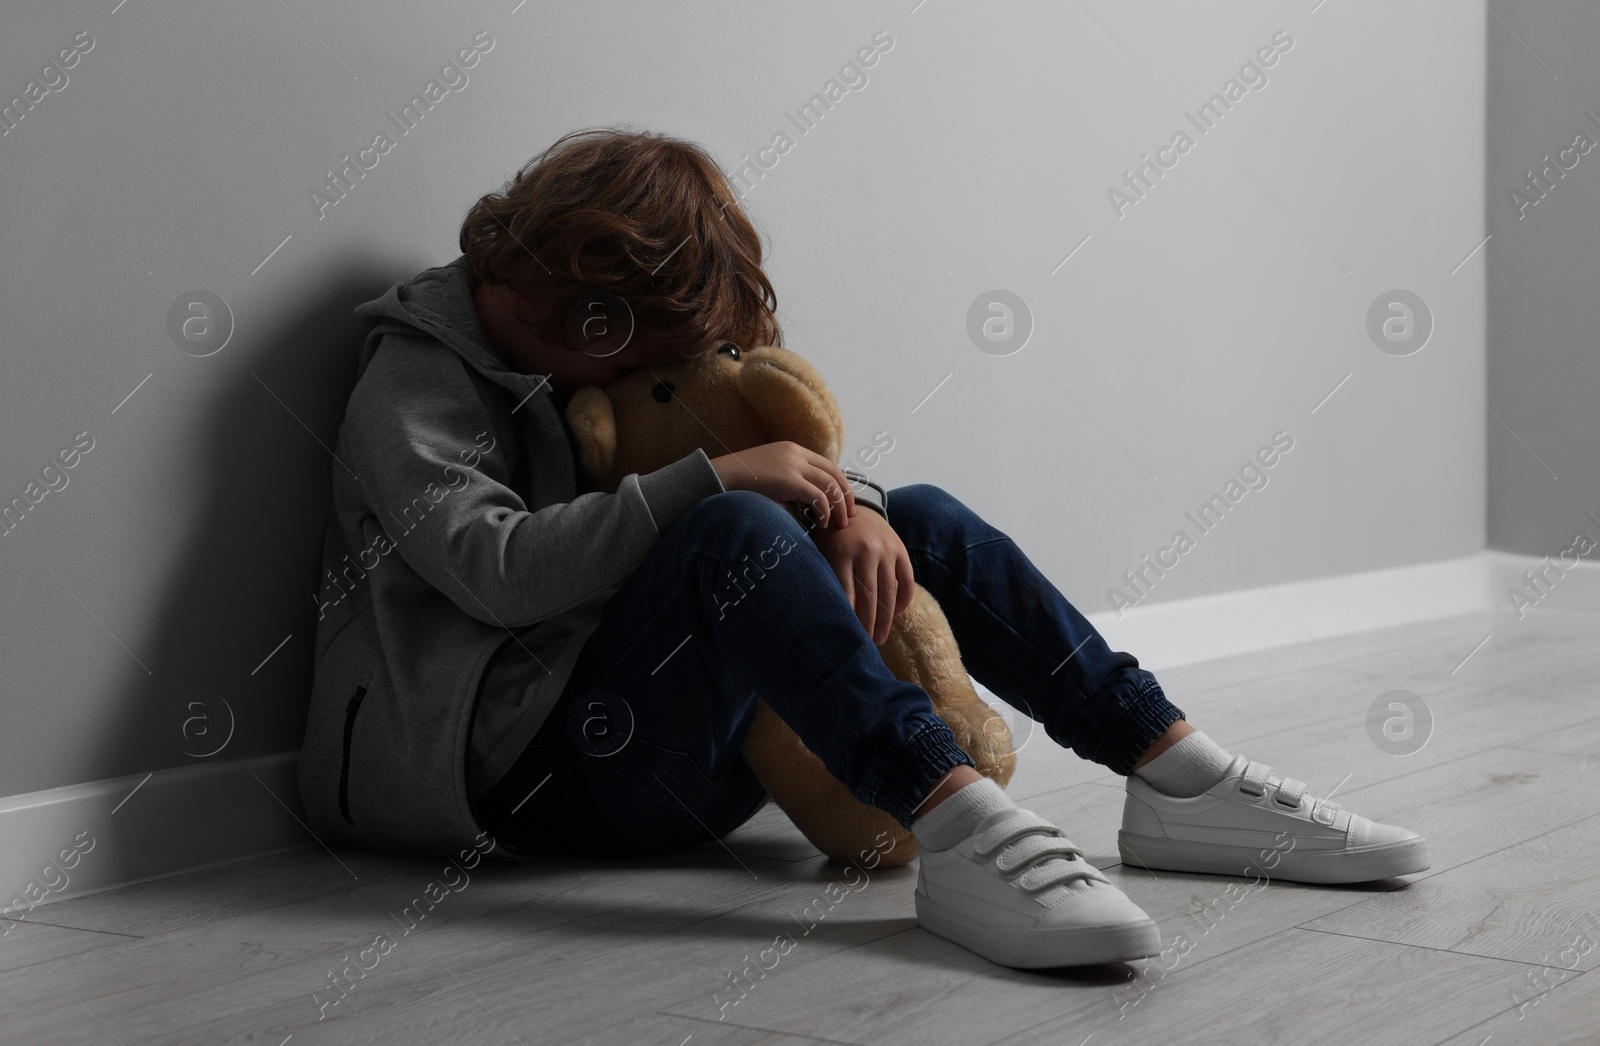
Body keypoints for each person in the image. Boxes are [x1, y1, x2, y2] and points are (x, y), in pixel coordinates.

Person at [296, 127, 1430, 970]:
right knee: (733, 518)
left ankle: (1176, 772)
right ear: (590, 315)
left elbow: (730, 446)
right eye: (658, 352)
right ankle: (953, 823)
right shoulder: (413, 380)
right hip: (519, 786)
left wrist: (853, 505)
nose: (673, 377)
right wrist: (718, 478)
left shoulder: (579, 358)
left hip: (658, 743)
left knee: (909, 511)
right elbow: (496, 571)